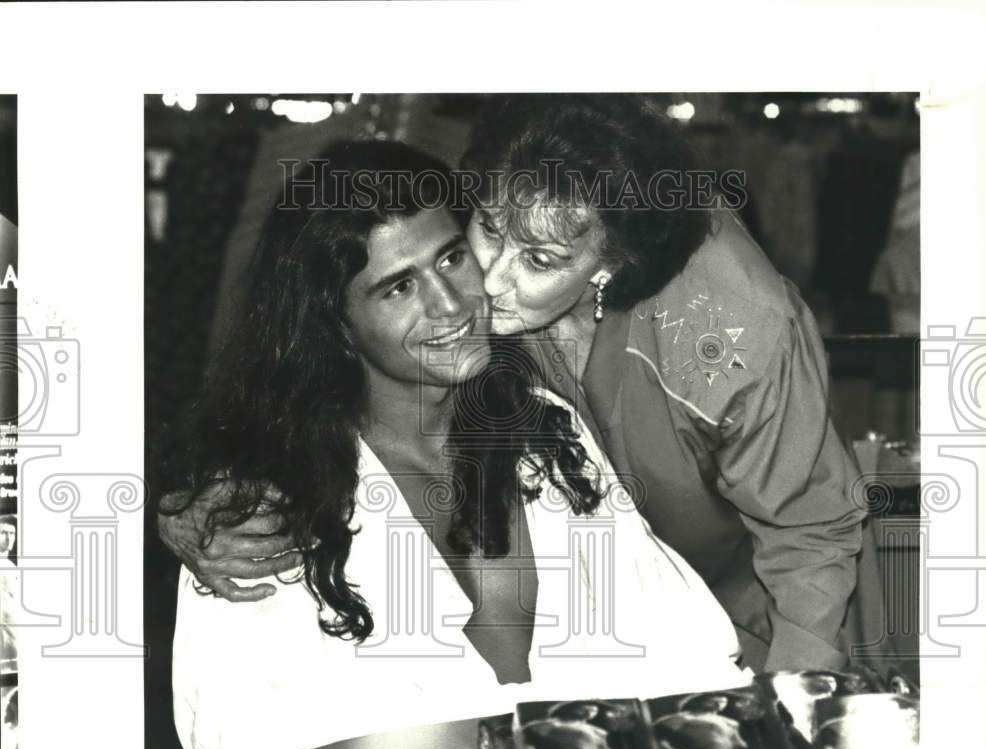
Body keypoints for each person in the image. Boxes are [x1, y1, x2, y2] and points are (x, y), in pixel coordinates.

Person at [160, 95, 888, 674]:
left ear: (610, 267)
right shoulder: (467, 278)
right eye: (486, 230)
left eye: (538, 260)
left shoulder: (736, 326)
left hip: (753, 607)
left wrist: (788, 707)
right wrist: (201, 501)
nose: (487, 285)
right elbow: (316, 350)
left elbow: (810, 533)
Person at [163, 141, 750, 749]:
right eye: (398, 288)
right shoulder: (266, 507)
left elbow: (684, 653)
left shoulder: (547, 435)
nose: (448, 305)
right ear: (334, 322)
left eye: (452, 259)